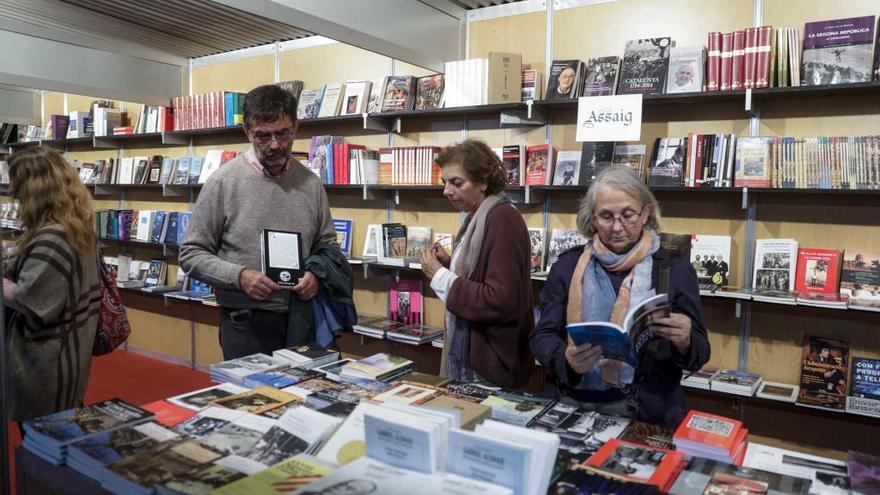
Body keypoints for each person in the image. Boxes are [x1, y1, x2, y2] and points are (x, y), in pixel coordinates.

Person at [530, 166, 710, 426]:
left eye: (627, 215)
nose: (617, 227)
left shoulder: (673, 268)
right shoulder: (568, 266)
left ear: (645, 212)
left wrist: (685, 340)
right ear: (591, 217)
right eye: (606, 216)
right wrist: (566, 359)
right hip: (576, 405)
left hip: (648, 413)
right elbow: (542, 336)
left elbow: (700, 353)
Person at [180, 84, 347, 360]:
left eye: (283, 134)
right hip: (245, 321)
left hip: (301, 319)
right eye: (263, 136)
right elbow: (191, 255)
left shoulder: (311, 184)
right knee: (251, 401)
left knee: (304, 399)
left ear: (295, 126)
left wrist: (317, 276)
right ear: (247, 131)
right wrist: (240, 276)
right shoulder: (223, 182)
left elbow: (327, 246)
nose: (275, 145)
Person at [420, 139, 534, 388]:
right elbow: (480, 277)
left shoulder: (502, 219)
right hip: (479, 358)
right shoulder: (480, 216)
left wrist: (439, 275)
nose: (446, 191)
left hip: (490, 366)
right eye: (445, 183)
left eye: (456, 183)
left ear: (483, 181)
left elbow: (500, 300)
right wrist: (450, 264)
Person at [3, 145, 101, 422]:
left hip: (46, 359)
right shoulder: (76, 226)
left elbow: (30, 301)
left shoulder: (52, 236)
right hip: (69, 351)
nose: (14, 194)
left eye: (18, 185)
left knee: (43, 433)